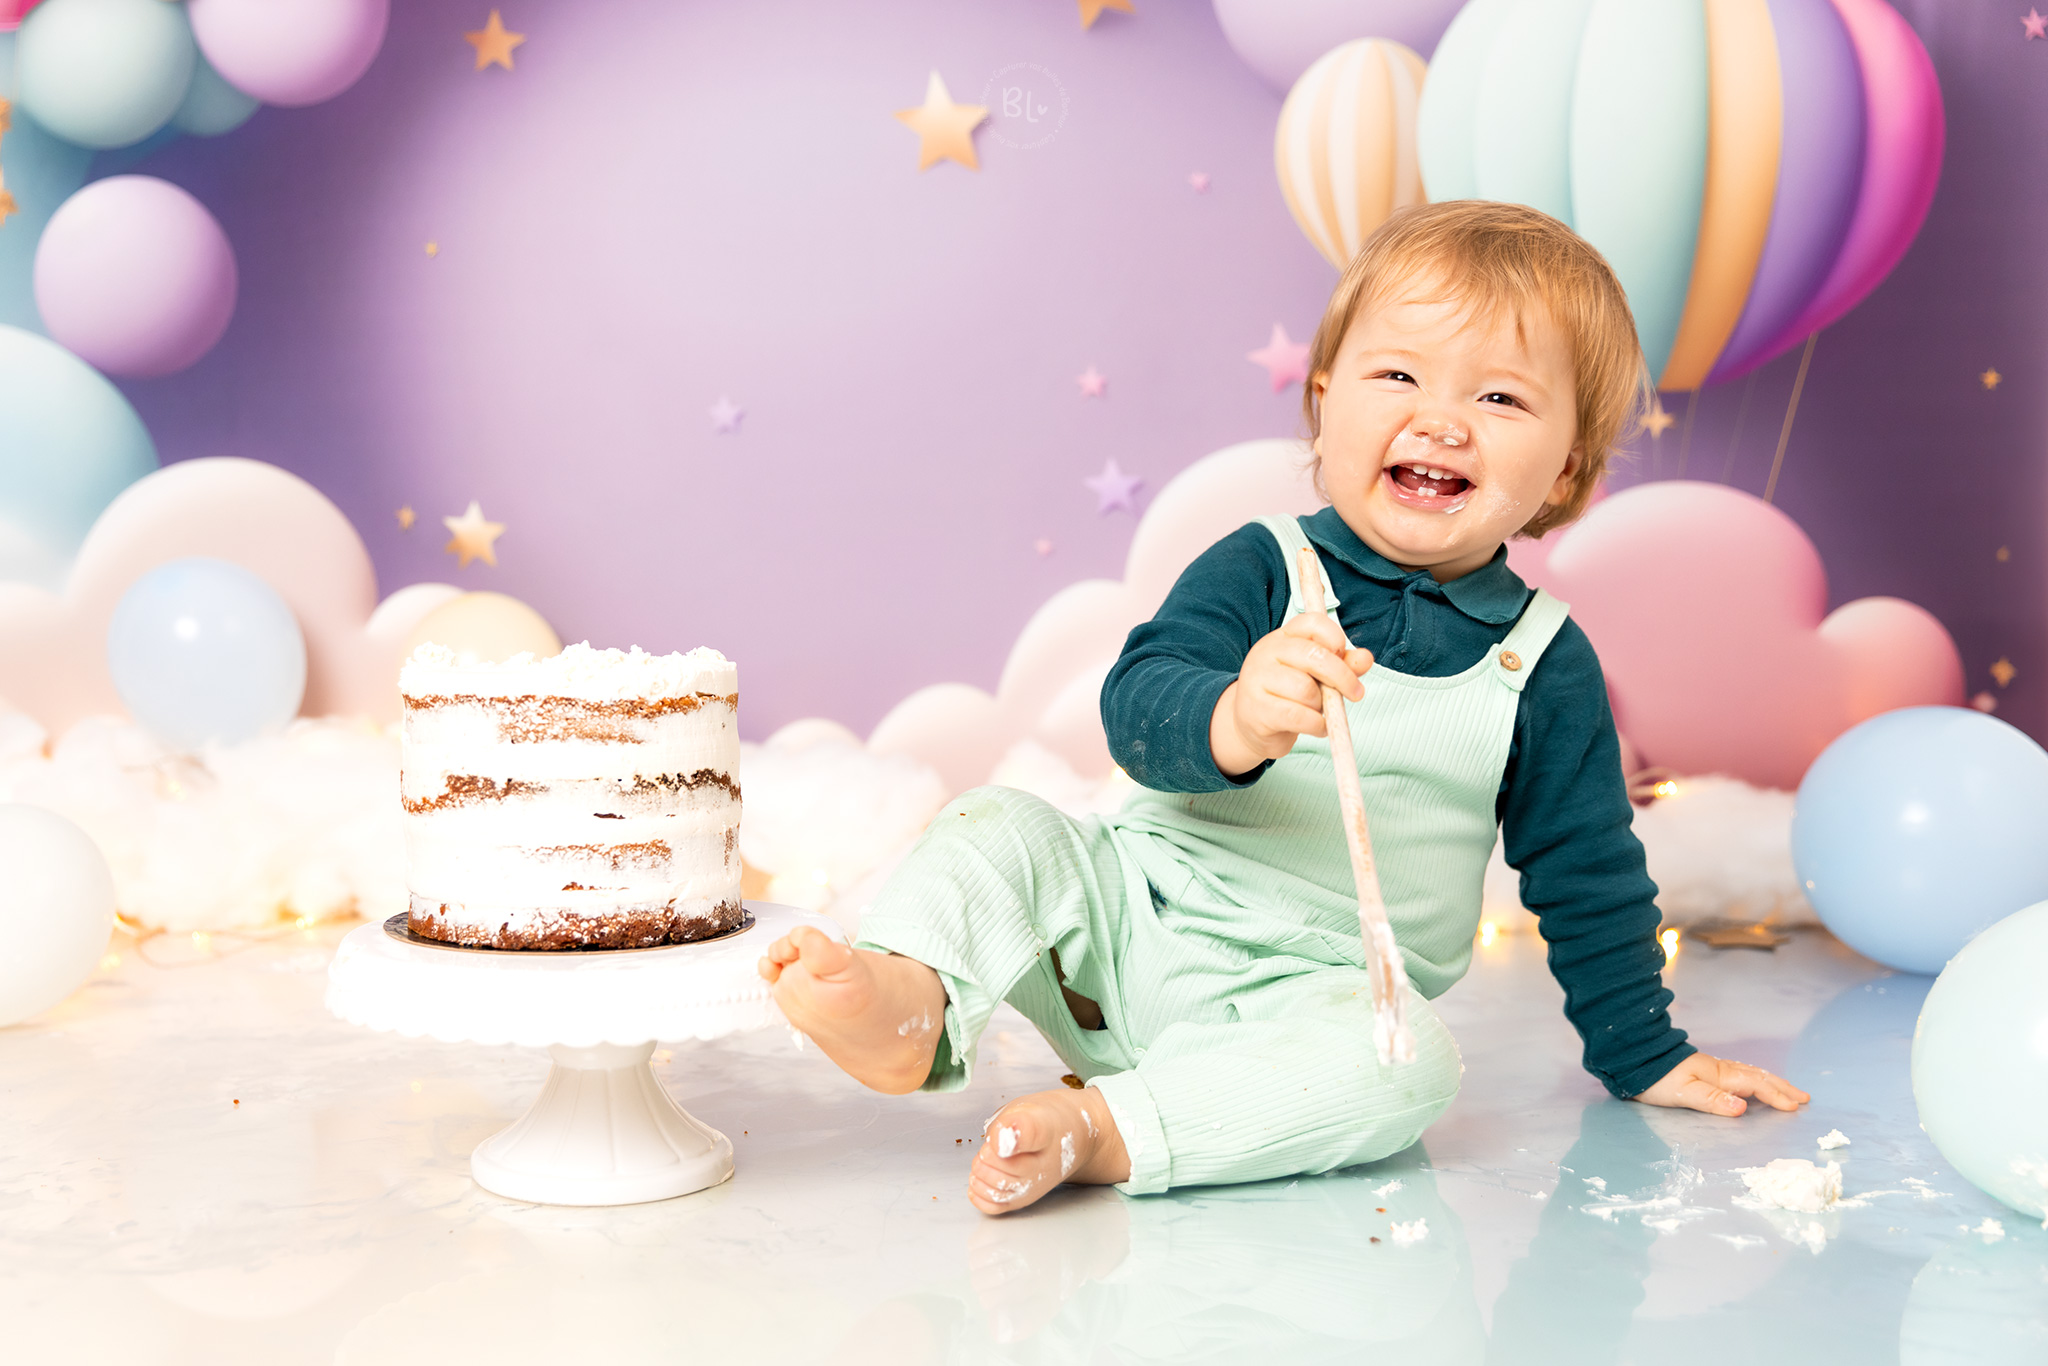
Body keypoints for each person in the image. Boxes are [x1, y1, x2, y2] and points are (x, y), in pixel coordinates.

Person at [758, 200, 1808, 1216]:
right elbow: (1136, 703)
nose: (1438, 418)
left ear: (1564, 466)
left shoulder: (1542, 663)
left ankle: (1115, 1127)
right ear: (1322, 398)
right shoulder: (1264, 566)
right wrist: (1233, 718)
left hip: (1312, 996)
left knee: (1409, 1073)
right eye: (1395, 374)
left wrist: (1644, 1053)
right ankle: (912, 1002)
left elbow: (1587, 870)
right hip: (1125, 930)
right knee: (1002, 827)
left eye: (1498, 399)